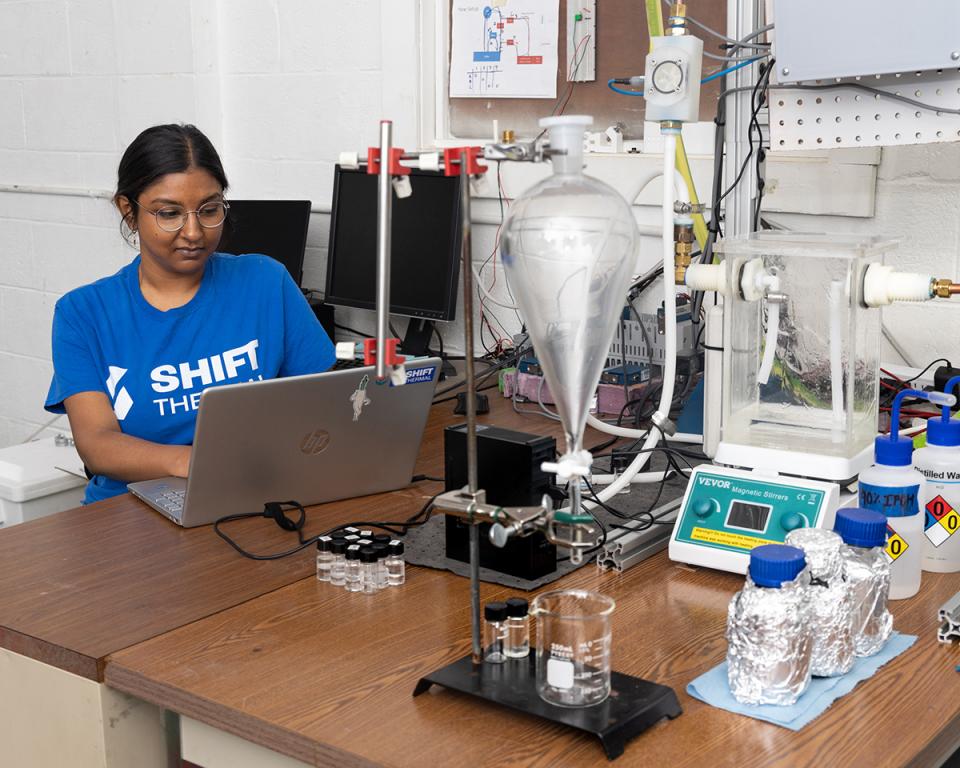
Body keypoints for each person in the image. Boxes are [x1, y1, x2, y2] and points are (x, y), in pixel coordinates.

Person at [45, 124, 335, 504]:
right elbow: (97, 445)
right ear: (128, 211)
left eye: (210, 209)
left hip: (254, 491)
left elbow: (322, 403)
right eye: (169, 213)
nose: (194, 232)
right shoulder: (82, 313)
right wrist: (197, 461)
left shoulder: (265, 281)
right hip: (128, 512)